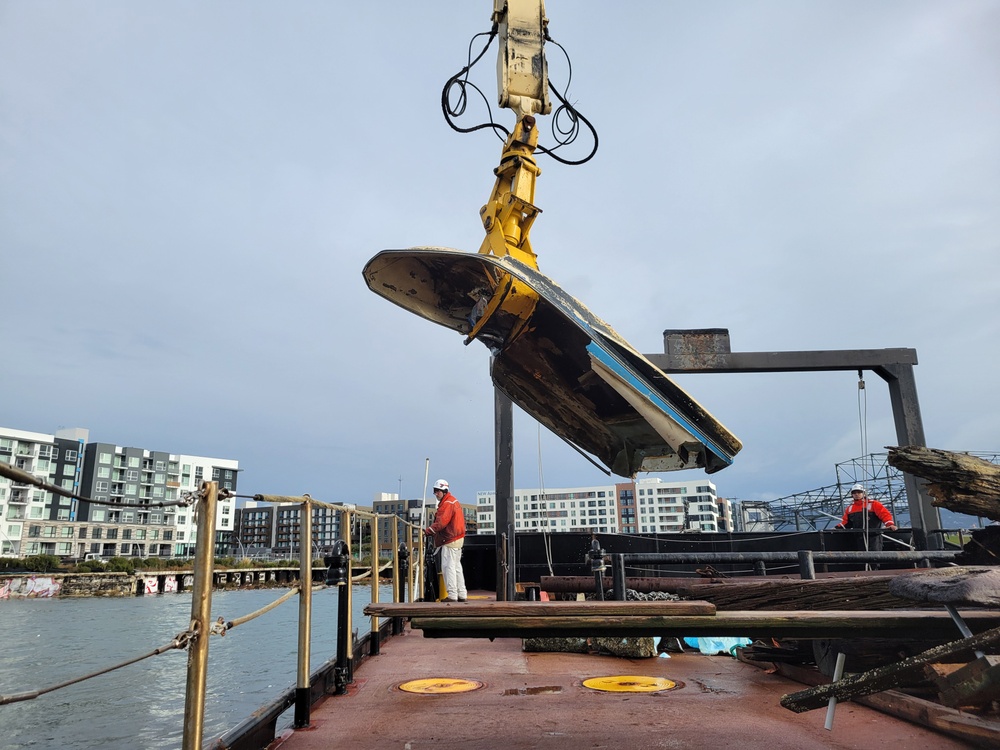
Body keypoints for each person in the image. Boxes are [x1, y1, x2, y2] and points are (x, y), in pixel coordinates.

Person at [424, 479, 468, 602]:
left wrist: (428, 531)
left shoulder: (447, 504)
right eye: (435, 491)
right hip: (458, 538)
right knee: (456, 567)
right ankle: (462, 594)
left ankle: (453, 595)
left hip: (449, 539)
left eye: (437, 491)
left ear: (444, 491)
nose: (435, 493)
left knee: (448, 567)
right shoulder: (453, 501)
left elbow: (441, 523)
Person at [835, 483, 897, 552]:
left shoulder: (874, 504)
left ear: (864, 493)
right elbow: (845, 523)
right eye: (854, 493)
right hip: (859, 538)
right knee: (862, 559)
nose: (856, 494)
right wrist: (837, 528)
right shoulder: (850, 508)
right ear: (852, 495)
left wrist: (890, 524)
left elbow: (884, 514)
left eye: (859, 492)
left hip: (874, 537)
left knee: (875, 557)